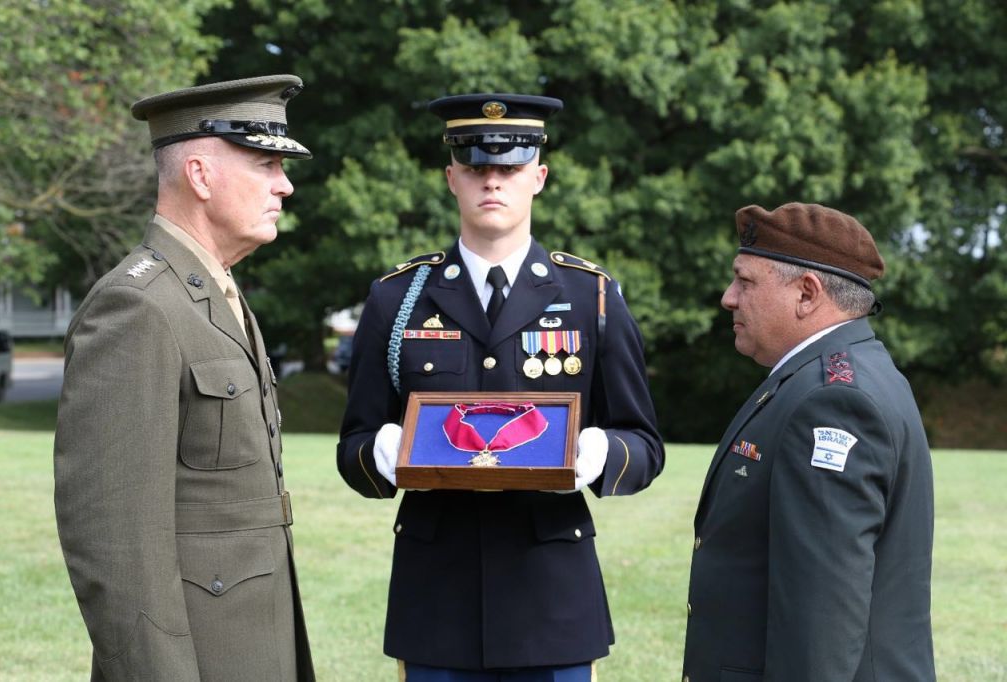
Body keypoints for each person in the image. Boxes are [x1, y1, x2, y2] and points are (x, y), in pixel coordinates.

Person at [336, 93, 664, 681]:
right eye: (476, 168)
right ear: (451, 178)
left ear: (538, 177)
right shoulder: (399, 297)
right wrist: (382, 453)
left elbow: (643, 443)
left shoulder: (590, 297)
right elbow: (354, 444)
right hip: (437, 596)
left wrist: (599, 454)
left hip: (551, 597)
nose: (493, 182)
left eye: (509, 168)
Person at [54, 75, 316, 681]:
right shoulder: (138, 307)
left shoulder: (213, 292)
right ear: (200, 175)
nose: (285, 184)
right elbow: (115, 545)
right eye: (265, 163)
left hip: (253, 647)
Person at [682, 202, 935, 681]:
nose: (728, 298)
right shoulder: (838, 376)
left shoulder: (831, 401)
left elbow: (822, 617)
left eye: (746, 281)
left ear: (807, 293)